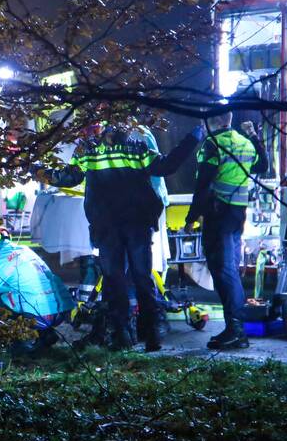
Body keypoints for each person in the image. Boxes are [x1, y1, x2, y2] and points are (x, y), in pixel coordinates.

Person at [41, 122, 203, 351]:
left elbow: (67, 178)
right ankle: (151, 335)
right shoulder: (136, 149)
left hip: (106, 225)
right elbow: (167, 166)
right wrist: (193, 137)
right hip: (137, 223)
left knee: (114, 279)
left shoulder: (89, 151)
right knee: (142, 277)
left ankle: (121, 335)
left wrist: (37, 170)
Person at [184, 113, 268, 350]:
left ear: (213, 122)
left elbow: (203, 184)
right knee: (229, 268)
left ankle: (236, 330)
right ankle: (236, 328)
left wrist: (191, 218)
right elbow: (263, 165)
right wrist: (254, 135)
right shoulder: (244, 142)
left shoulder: (213, 144)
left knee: (224, 271)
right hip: (236, 214)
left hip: (218, 213)